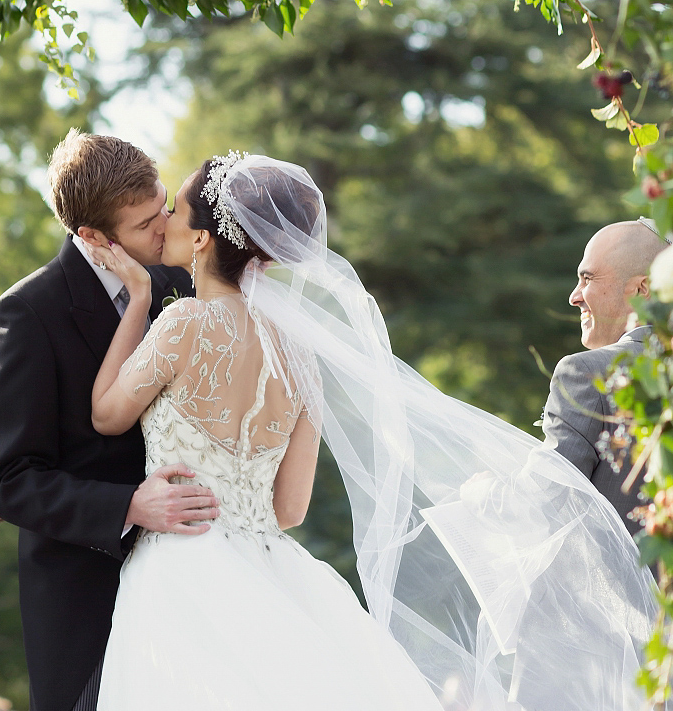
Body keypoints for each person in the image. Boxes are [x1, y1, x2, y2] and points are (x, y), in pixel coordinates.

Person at [89, 153, 656, 711]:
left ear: (203, 239)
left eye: (176, 212)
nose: (165, 223)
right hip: (270, 565)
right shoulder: (298, 354)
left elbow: (106, 416)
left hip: (182, 567)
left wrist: (139, 298)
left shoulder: (181, 322)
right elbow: (288, 509)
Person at [0, 131, 206, 711]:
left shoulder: (184, 283)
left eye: (165, 209)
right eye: (145, 224)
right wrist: (129, 505)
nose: (166, 229)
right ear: (93, 237)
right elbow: (10, 481)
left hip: (195, 585)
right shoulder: (28, 312)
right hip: (87, 607)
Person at [542, 218, 664, 532]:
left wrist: (483, 495)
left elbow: (543, 503)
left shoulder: (586, 373)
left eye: (588, 279)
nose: (574, 296)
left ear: (642, 288)